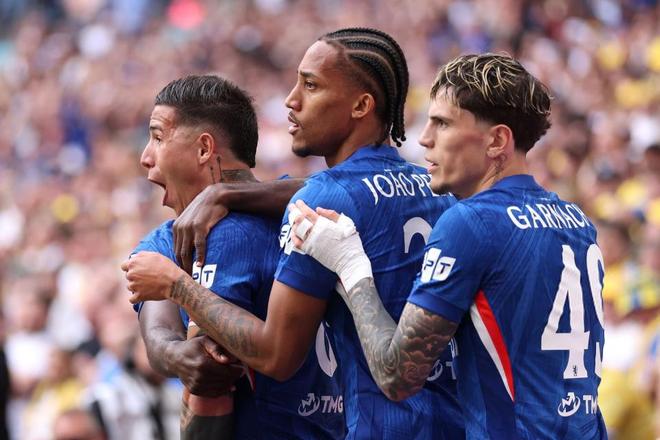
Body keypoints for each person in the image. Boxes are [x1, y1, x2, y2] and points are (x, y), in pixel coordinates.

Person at [123, 28, 464, 439]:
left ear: (361, 105)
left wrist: (178, 286)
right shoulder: (438, 191)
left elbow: (274, 356)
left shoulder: (314, 202)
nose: (291, 100)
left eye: (311, 85)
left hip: (383, 425)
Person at [289, 53, 608, 439]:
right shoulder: (577, 221)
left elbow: (396, 376)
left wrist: (350, 264)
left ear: (496, 140)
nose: (424, 138)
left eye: (442, 123)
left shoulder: (471, 222)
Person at [124, 75, 344, 439]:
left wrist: (223, 195)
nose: (145, 157)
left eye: (158, 138)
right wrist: (177, 354)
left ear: (204, 149)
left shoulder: (222, 236)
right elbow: (158, 333)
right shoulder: (307, 208)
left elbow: (210, 395)